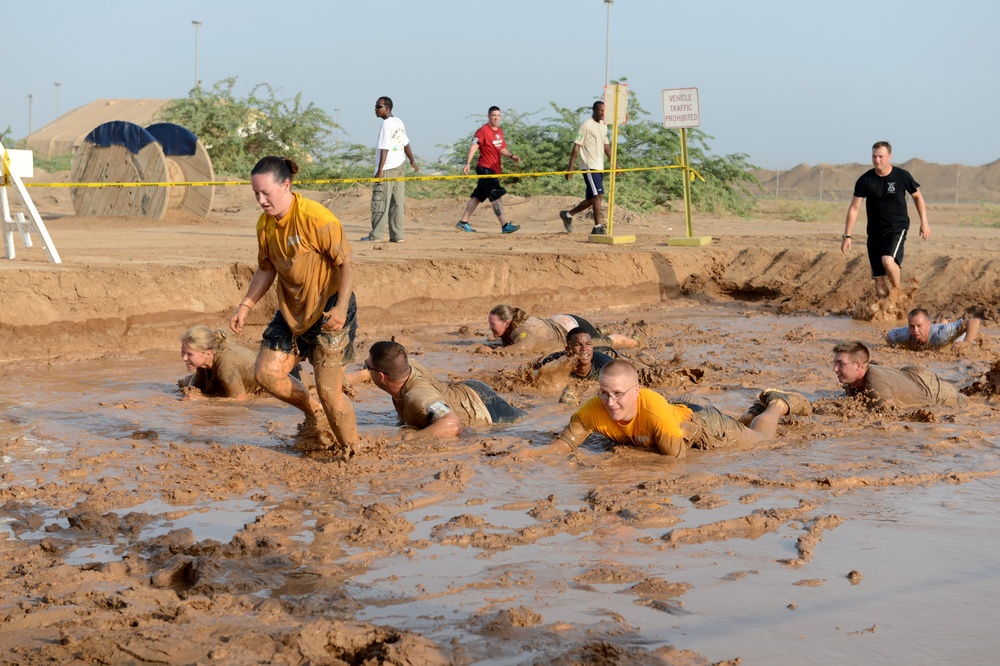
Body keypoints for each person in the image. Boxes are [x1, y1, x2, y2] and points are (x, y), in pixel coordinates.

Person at [230, 156, 358, 451]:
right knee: (265, 374)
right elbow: (266, 268)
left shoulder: (317, 218)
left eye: (266, 193)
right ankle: (314, 414)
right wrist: (245, 305)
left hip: (329, 308)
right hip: (291, 310)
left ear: (286, 186)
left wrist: (340, 308)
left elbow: (347, 263)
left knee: (329, 392)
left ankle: (353, 452)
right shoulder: (265, 225)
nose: (261, 200)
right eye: (256, 194)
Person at [526, 360, 810, 458]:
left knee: (761, 442)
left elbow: (676, 458)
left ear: (636, 392)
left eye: (618, 394)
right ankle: (749, 414)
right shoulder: (590, 410)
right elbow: (562, 446)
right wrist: (528, 455)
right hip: (678, 413)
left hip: (704, 428)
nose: (610, 403)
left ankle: (777, 404)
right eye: (604, 394)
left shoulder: (652, 412)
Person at [365, 340, 526, 439]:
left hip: (485, 408)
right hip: (465, 392)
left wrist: (406, 438)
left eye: (368, 366)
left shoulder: (418, 398)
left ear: (381, 376)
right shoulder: (405, 366)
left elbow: (452, 424)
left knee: (526, 419)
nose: (366, 370)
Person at [842, 141, 930, 300]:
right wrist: (847, 236)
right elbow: (854, 208)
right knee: (879, 279)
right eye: (874, 156)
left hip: (896, 227)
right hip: (874, 231)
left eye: (881, 156)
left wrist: (924, 222)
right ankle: (887, 310)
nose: (877, 160)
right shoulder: (865, 180)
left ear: (889, 156)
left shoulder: (902, 176)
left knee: (888, 260)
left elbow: (917, 196)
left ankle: (898, 292)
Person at [832, 340, 960, 411]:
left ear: (858, 366)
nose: (835, 369)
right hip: (911, 377)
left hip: (938, 393)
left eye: (840, 364)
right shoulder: (860, 376)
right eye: (834, 363)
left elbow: (889, 416)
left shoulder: (876, 386)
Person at [456, 106, 521, 235]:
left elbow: (501, 148)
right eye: (493, 115)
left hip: (494, 169)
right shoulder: (483, 131)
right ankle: (505, 225)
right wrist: (468, 163)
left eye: (498, 115)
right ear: (488, 116)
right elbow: (474, 147)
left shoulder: (499, 131)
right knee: (496, 195)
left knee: (477, 197)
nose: (496, 118)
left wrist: (511, 156)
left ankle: (463, 222)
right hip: (485, 168)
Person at [362, 96, 418, 243]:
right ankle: (397, 235)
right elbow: (406, 143)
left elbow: (385, 148)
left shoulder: (387, 124)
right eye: (375, 106)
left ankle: (377, 235)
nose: (375, 109)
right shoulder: (398, 121)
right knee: (397, 202)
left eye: (378, 106)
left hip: (388, 167)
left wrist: (380, 171)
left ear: (387, 108)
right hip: (400, 165)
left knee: (380, 201)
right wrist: (412, 160)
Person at [488, 304, 640, 354]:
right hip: (560, 322)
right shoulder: (512, 324)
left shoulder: (520, 331)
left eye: (493, 324)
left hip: (572, 328)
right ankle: (599, 331)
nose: (490, 328)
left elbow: (523, 347)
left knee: (606, 343)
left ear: (507, 322)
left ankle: (635, 343)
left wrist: (493, 352)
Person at [560, 101, 612, 235]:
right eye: (600, 110)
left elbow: (606, 146)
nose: (602, 113)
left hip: (600, 166)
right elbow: (577, 145)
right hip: (589, 166)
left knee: (592, 199)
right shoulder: (586, 125)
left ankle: (568, 215)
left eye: (604, 111)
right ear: (594, 110)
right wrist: (570, 166)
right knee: (598, 195)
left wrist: (614, 163)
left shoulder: (603, 125)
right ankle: (597, 227)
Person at [178, 325, 259, 400]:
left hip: (263, 385)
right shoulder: (204, 361)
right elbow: (196, 385)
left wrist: (203, 399)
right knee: (184, 384)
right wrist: (191, 389)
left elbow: (239, 401)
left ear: (208, 353)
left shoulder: (227, 368)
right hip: (231, 374)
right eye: (183, 352)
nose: (184, 358)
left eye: (190, 354)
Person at [536, 327, 617, 381]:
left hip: (603, 352)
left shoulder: (606, 365)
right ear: (568, 350)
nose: (584, 348)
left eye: (588, 344)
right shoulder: (553, 363)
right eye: (577, 344)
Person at [886, 308, 981, 353]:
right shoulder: (903, 334)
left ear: (928, 324)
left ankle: (945, 322)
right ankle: (943, 322)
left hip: (949, 337)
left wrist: (967, 341)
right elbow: (889, 336)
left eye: (919, 326)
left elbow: (974, 321)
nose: (915, 330)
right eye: (911, 326)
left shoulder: (943, 333)